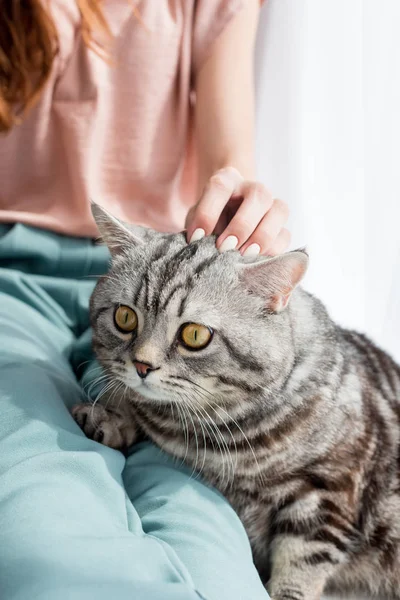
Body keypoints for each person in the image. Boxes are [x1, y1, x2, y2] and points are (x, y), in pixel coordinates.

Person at [0, 2, 289, 599]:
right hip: (12, 281)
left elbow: (228, 163)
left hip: (159, 289)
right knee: (44, 523)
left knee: (210, 540)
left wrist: (239, 203)